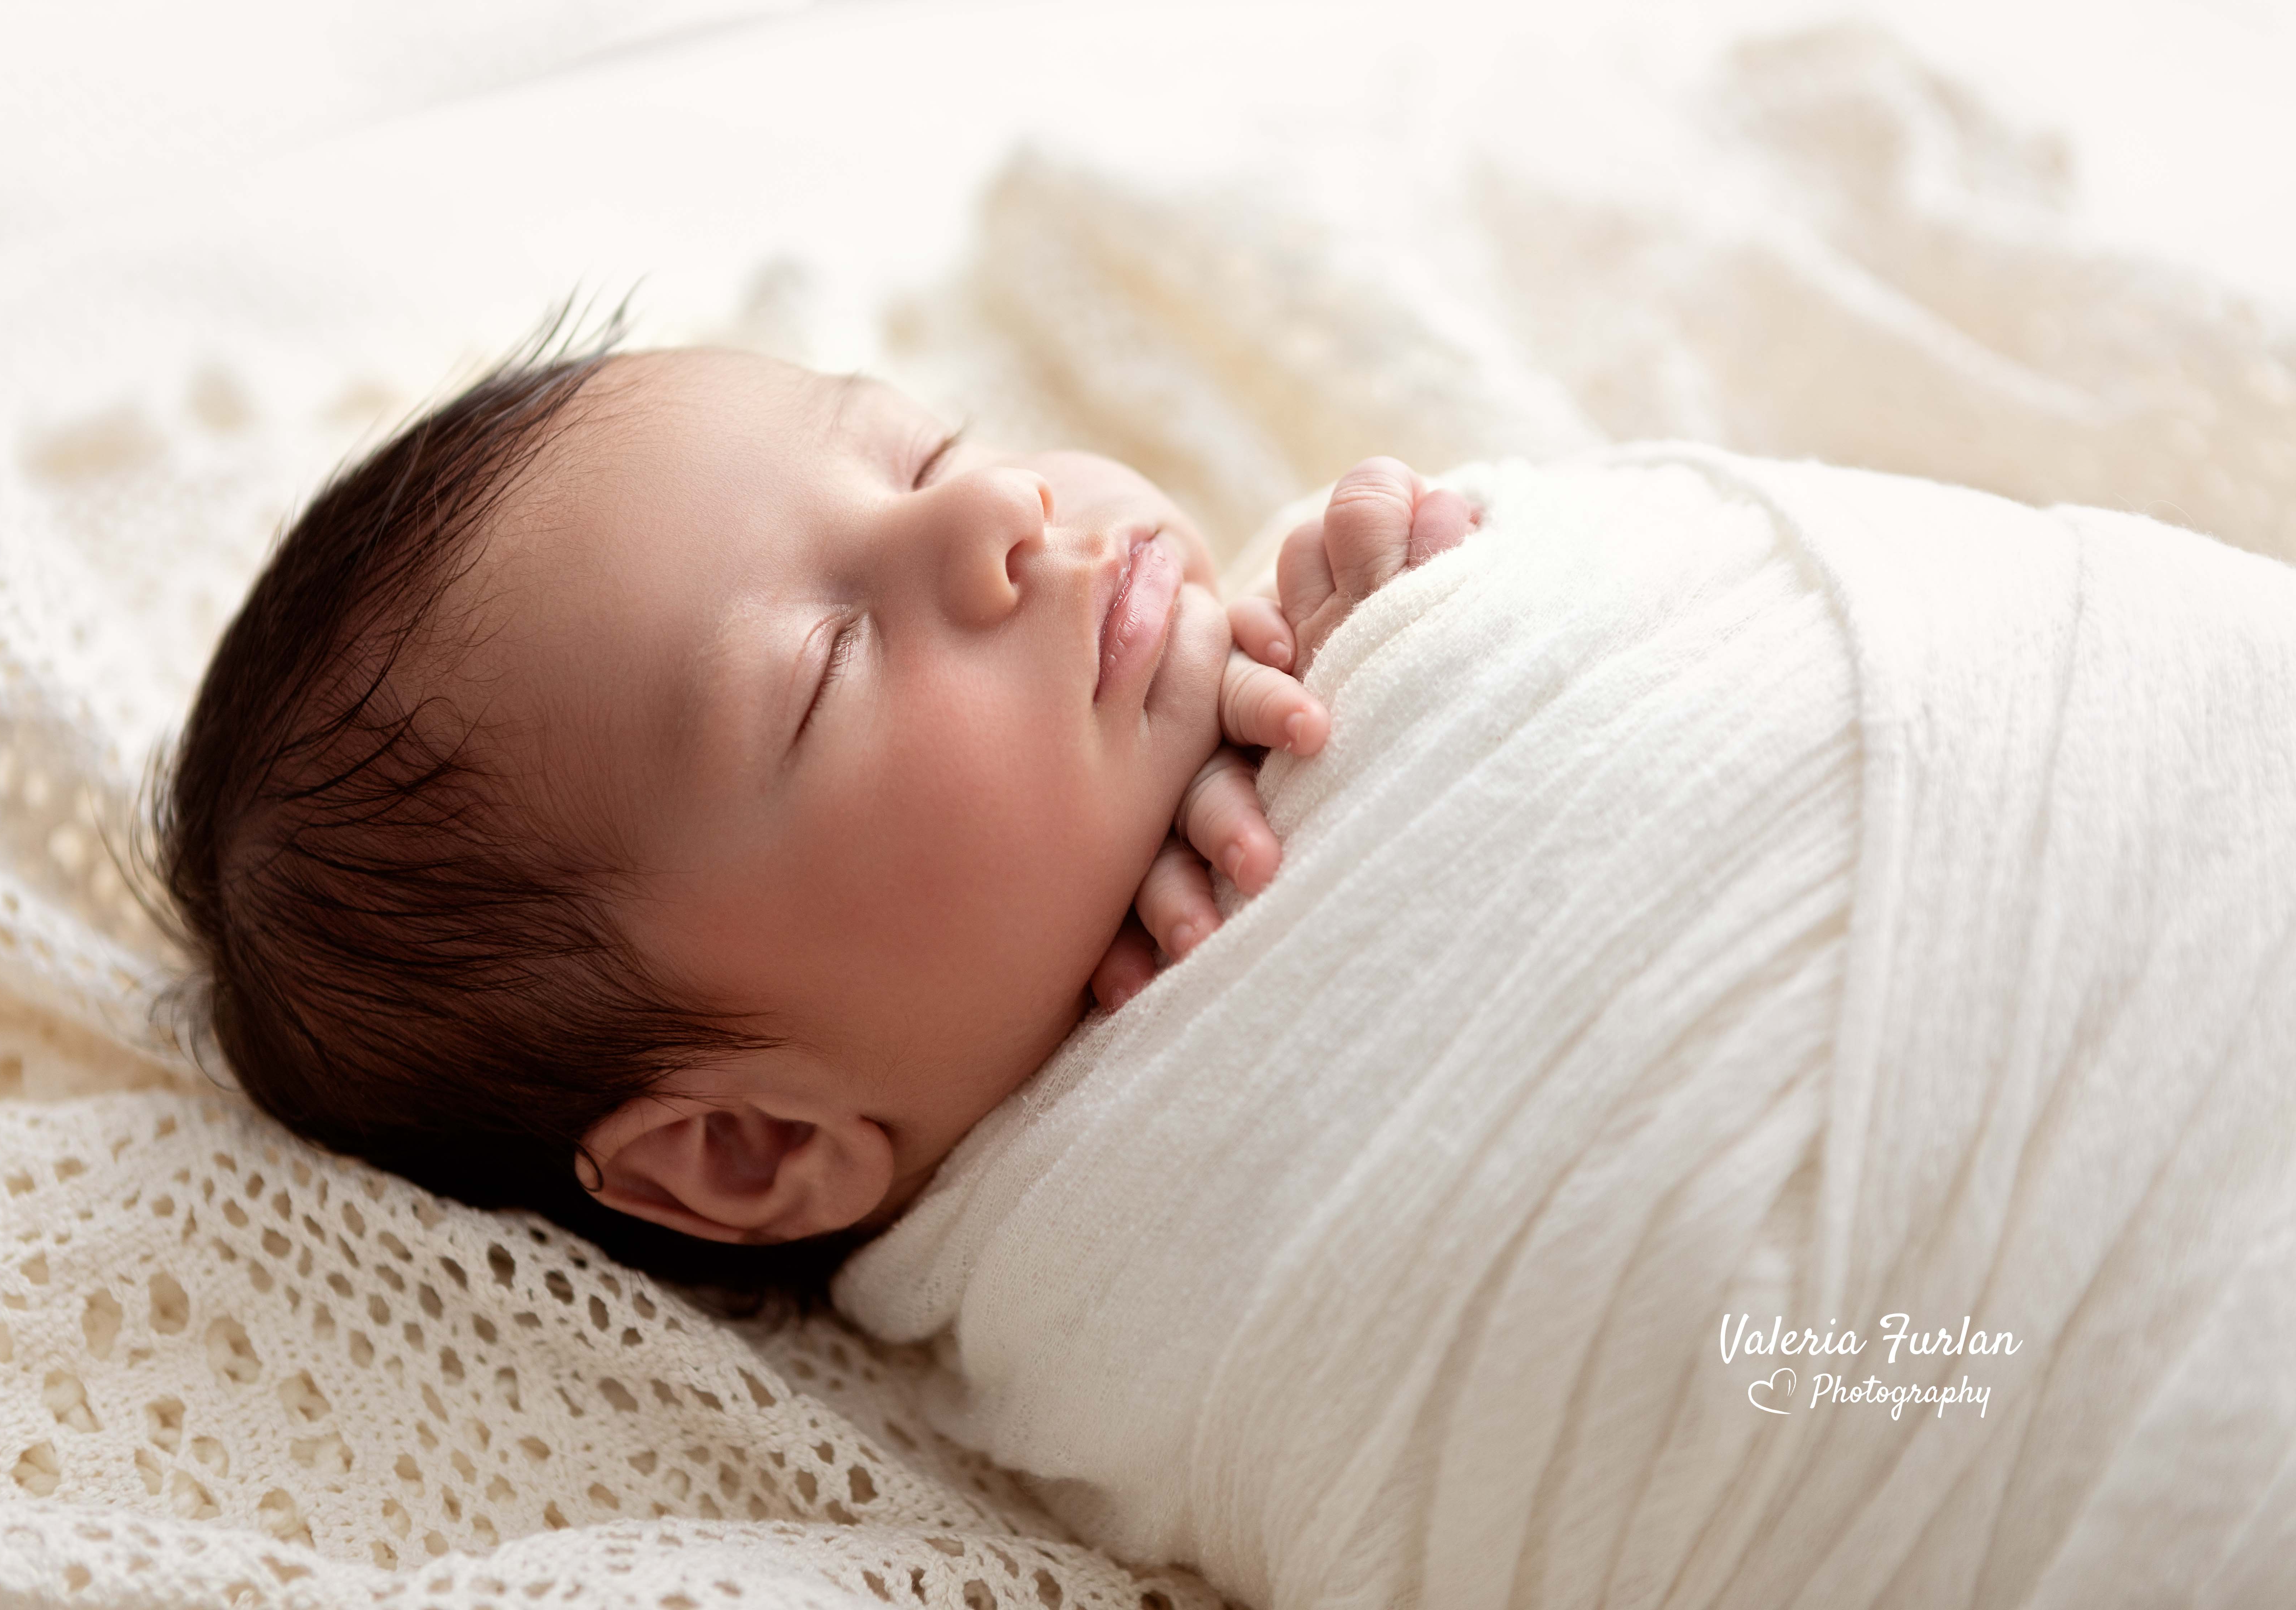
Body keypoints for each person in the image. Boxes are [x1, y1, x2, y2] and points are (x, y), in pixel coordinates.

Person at [155, 336, 1471, 1301]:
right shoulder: (1093, 1303)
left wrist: (1429, 585)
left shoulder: (1323, 618)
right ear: (748, 1147)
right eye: (830, 667)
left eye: (925, 450)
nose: (998, 507)